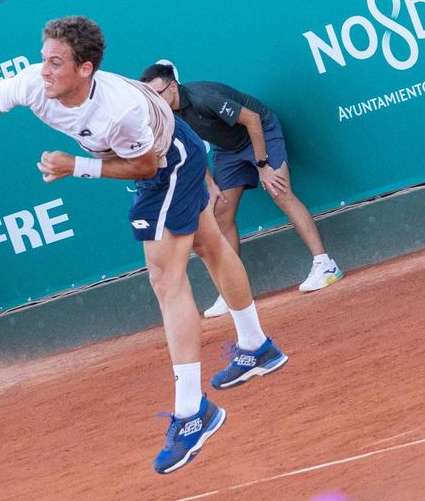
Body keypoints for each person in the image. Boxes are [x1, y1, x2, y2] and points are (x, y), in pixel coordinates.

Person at [0, 17, 288, 474]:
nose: (44, 70)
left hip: (165, 162)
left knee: (165, 277)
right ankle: (256, 346)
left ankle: (193, 414)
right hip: (165, 146)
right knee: (208, 244)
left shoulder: (119, 109)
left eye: (55, 62)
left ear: (85, 68)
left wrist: (78, 167)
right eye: (43, 58)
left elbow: (146, 168)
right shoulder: (36, 84)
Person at [140, 60, 342, 316]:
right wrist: (211, 185)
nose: (154, 100)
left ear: (173, 86)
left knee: (280, 191)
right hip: (228, 149)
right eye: (150, 96)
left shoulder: (205, 98)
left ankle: (325, 265)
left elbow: (253, 120)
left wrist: (263, 166)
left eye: (157, 94)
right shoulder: (165, 115)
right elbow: (192, 150)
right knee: (221, 212)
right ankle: (230, 291)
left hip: (261, 132)